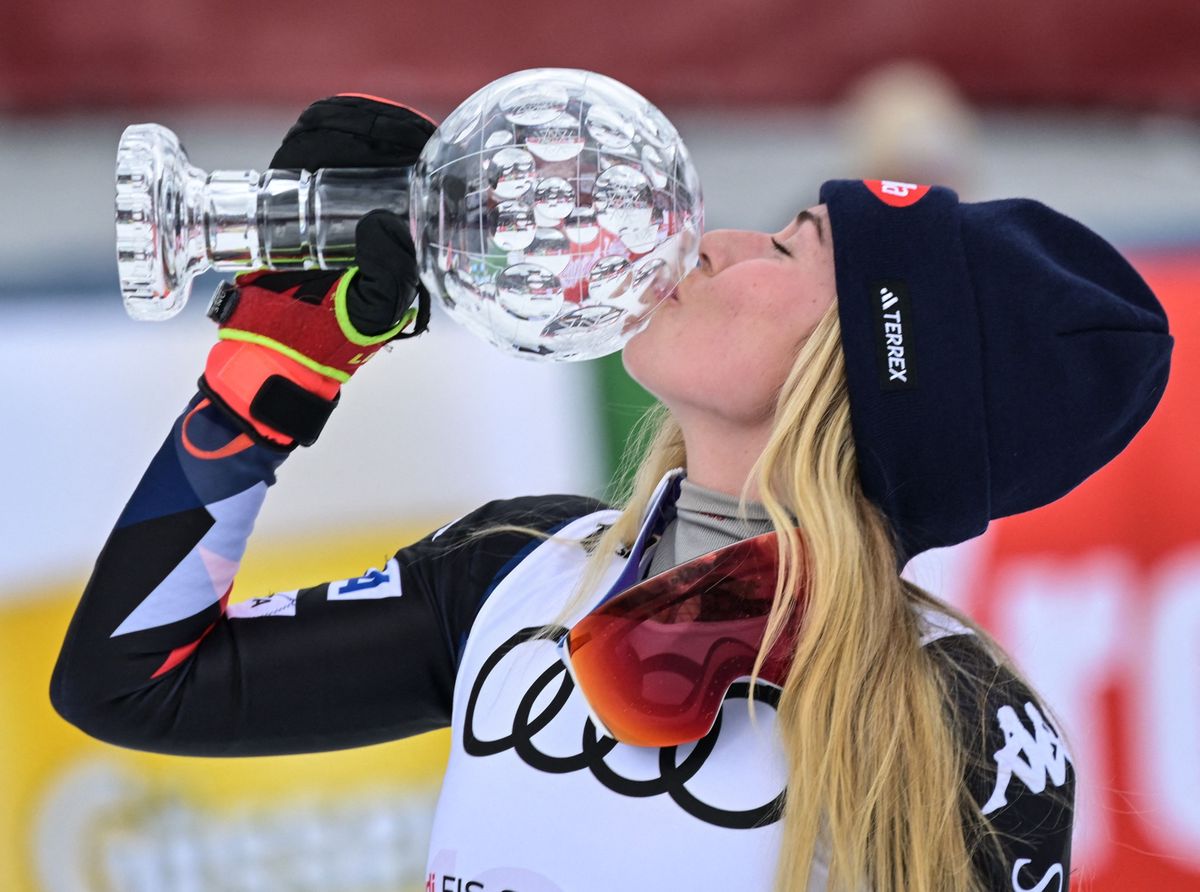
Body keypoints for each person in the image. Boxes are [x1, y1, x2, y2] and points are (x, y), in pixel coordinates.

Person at [51, 95, 1173, 892]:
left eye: (789, 246)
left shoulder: (965, 720)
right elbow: (133, 683)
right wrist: (265, 387)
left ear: (866, 370)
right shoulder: (528, 565)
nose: (718, 243)